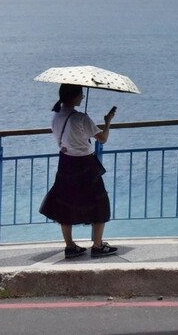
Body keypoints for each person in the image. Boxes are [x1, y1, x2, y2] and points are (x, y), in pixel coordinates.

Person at [39, 84, 118, 259]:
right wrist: (108, 121)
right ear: (74, 97)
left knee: (65, 203)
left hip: (65, 162)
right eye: (81, 94)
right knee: (99, 202)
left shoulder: (56, 117)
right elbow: (102, 139)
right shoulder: (81, 118)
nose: (82, 97)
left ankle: (70, 246)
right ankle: (97, 245)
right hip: (85, 164)